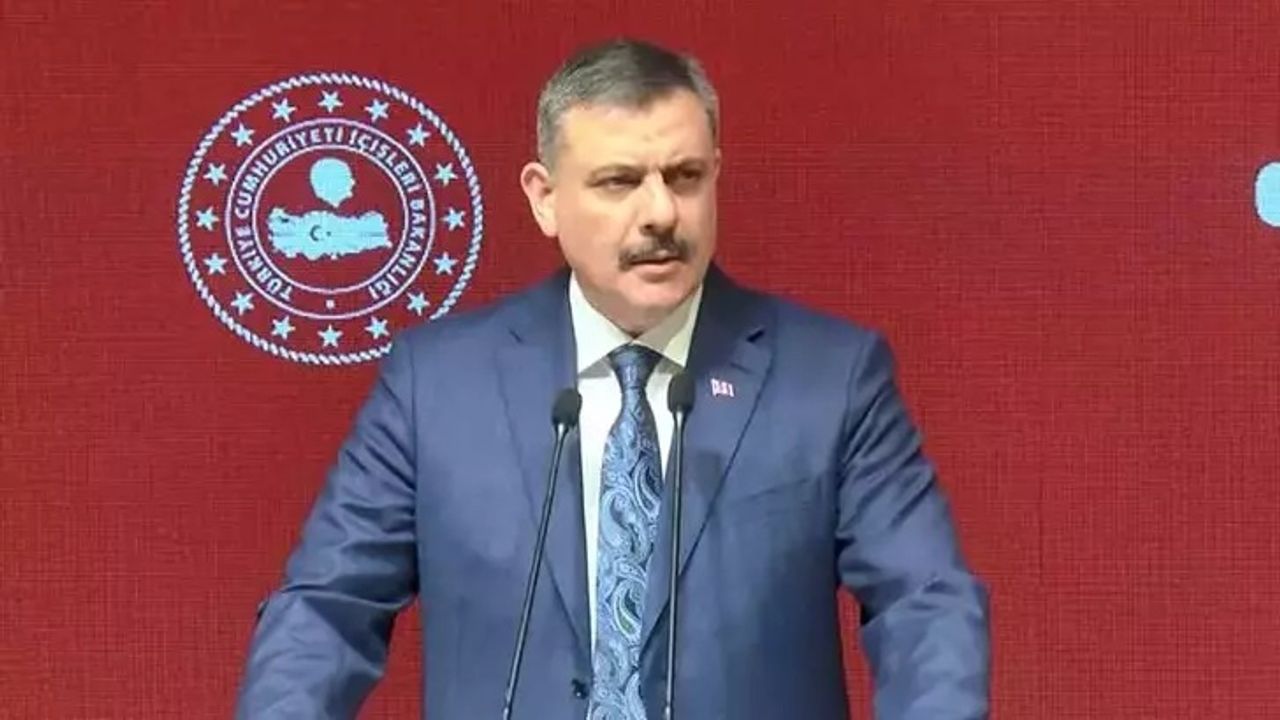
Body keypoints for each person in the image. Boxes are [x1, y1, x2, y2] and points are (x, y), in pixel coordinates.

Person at [236, 38, 991, 720]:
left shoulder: (831, 378)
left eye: (685, 177)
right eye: (619, 182)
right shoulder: (435, 385)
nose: (660, 212)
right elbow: (326, 609)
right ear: (544, 198)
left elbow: (924, 603)